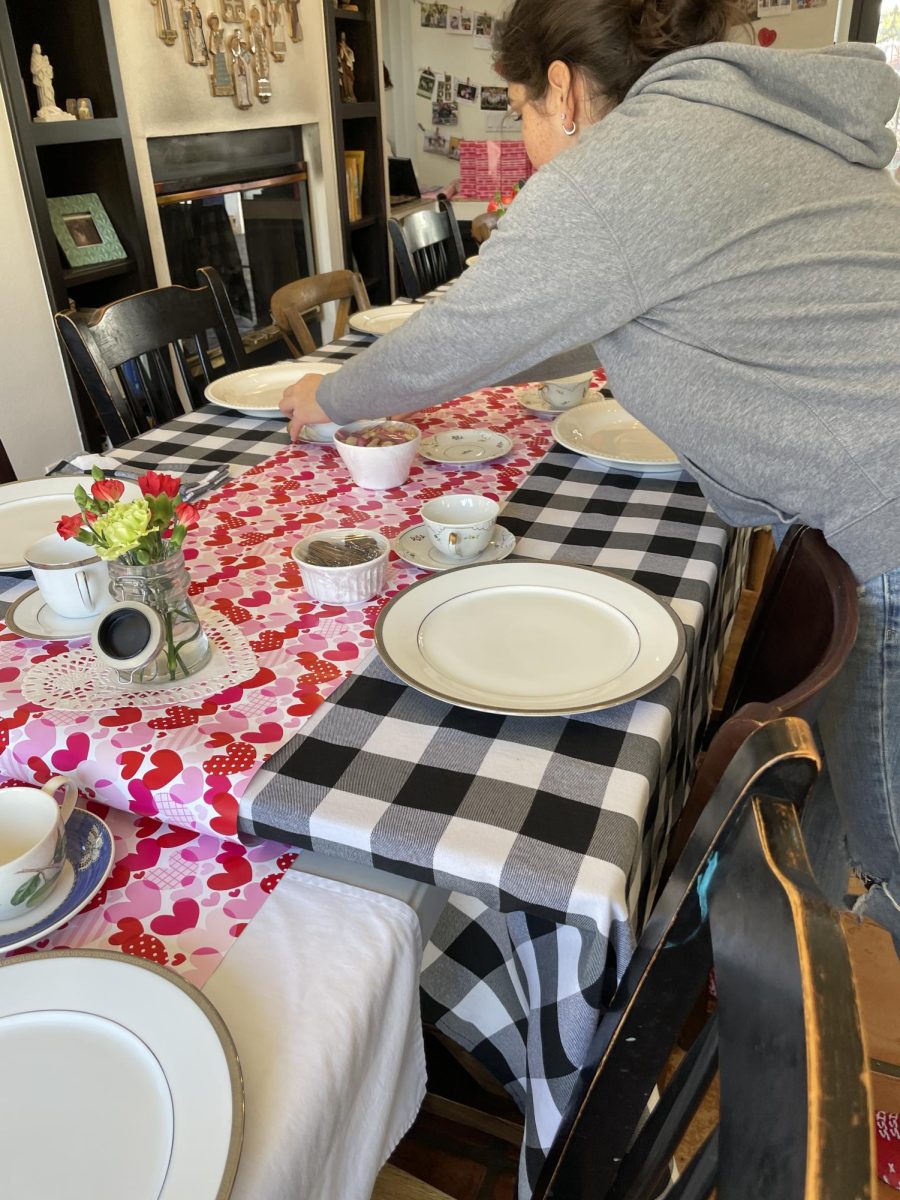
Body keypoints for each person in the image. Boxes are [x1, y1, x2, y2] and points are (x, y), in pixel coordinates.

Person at [280, 0, 900, 947]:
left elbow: (465, 333)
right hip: (876, 505)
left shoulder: (627, 166)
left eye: (520, 110)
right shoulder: (731, 127)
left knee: (892, 841)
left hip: (890, 519)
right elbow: (557, 326)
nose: (525, 138)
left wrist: (328, 398)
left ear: (563, 91)